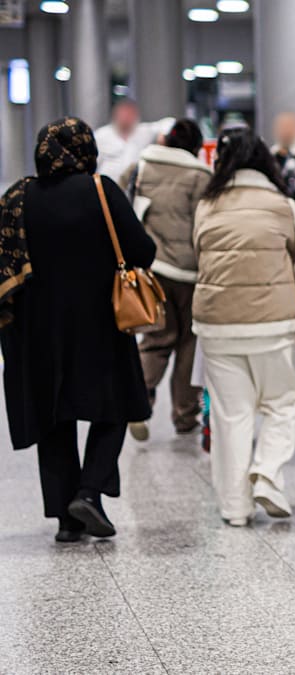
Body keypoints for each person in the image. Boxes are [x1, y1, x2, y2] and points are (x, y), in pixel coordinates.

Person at [0, 117, 156, 542]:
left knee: (53, 419)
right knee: (117, 406)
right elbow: (143, 251)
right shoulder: (101, 190)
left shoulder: (18, 198)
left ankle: (67, 522)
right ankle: (88, 492)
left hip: (37, 331)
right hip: (100, 325)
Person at [193, 128, 295, 527]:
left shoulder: (206, 205)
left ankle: (235, 508)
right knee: (282, 402)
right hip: (273, 322)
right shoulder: (281, 204)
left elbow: (198, 252)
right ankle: (268, 475)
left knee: (231, 414)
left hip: (217, 324)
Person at [120, 119, 212, 441]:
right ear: (196, 147)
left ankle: (138, 403)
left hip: (152, 269)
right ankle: (185, 416)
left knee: (155, 340)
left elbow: (122, 207)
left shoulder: (140, 167)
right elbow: (206, 224)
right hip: (190, 273)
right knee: (189, 344)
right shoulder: (201, 176)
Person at [95, 99, 175, 179]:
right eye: (123, 114)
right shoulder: (101, 135)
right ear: (115, 115)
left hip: (134, 183)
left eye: (130, 114)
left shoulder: (143, 131)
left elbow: (169, 123)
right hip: (106, 183)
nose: (126, 118)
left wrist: (163, 135)